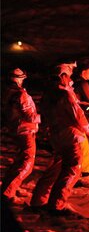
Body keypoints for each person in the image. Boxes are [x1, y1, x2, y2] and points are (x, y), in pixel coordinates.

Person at [29, 62, 89, 217]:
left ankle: (38, 200)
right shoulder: (65, 94)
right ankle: (56, 205)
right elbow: (78, 115)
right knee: (72, 169)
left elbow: (44, 117)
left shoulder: (47, 95)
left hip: (56, 137)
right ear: (63, 76)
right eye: (68, 76)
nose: (70, 79)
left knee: (56, 168)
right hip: (71, 136)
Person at [1, 68, 40, 203]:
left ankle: (7, 189)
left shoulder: (6, 92)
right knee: (27, 163)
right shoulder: (20, 94)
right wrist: (44, 118)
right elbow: (30, 116)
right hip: (25, 130)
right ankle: (7, 193)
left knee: (20, 161)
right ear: (19, 79)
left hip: (15, 129)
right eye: (22, 79)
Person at [73, 61, 89, 178]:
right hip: (77, 118)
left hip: (74, 117)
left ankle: (83, 171)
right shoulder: (83, 84)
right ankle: (82, 173)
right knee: (83, 146)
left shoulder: (75, 82)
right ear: (83, 72)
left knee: (82, 145)